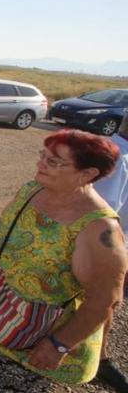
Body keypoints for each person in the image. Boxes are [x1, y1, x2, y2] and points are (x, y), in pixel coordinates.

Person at [0, 129, 127, 391]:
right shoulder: (32, 190)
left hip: (37, 335)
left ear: (88, 174)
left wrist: (60, 344)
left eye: (54, 161)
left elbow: (105, 299)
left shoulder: (99, 229)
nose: (40, 164)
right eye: (42, 155)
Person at [93, 119, 128, 391]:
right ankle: (99, 359)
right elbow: (100, 211)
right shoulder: (117, 157)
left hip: (115, 247)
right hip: (107, 248)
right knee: (104, 301)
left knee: (109, 303)